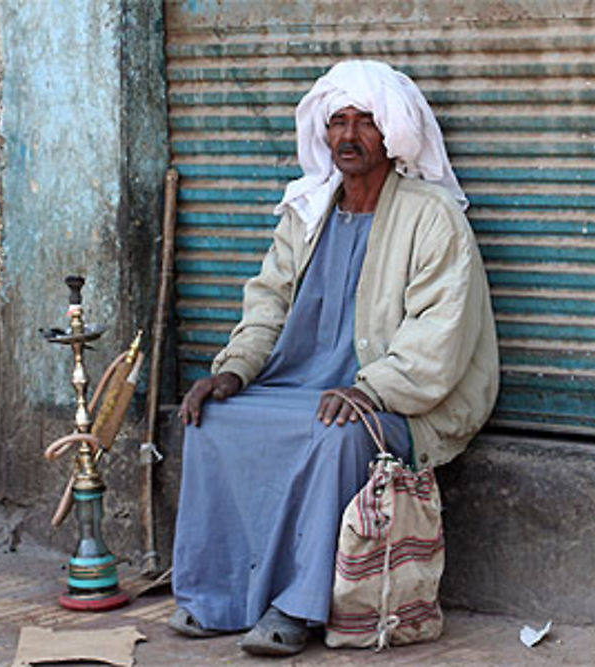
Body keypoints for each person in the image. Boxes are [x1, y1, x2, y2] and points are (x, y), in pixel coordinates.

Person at [168, 59, 499, 657]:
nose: (348, 137)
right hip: (299, 387)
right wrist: (232, 370)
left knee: (336, 437)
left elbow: (438, 336)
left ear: (391, 135)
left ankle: (298, 608)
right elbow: (266, 301)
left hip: (400, 402)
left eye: (365, 123)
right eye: (338, 122)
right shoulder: (307, 211)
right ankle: (221, 598)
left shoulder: (433, 218)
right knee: (211, 422)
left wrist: (370, 390)